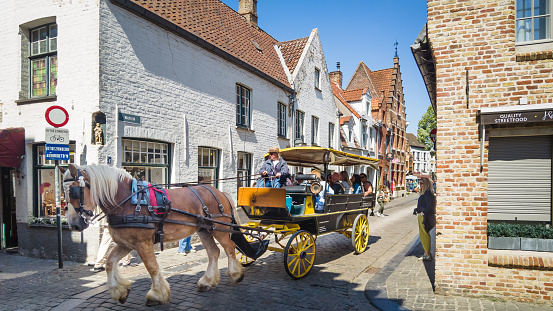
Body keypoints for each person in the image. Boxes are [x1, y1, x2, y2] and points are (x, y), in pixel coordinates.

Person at [413, 177, 436, 261]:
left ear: (426, 184)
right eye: (419, 183)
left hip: (424, 217)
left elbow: (430, 206)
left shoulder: (427, 193)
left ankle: (427, 254)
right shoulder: (427, 193)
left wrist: (423, 211)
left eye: (421, 183)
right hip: (424, 215)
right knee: (425, 235)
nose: (420, 185)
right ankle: (427, 253)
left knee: (424, 235)